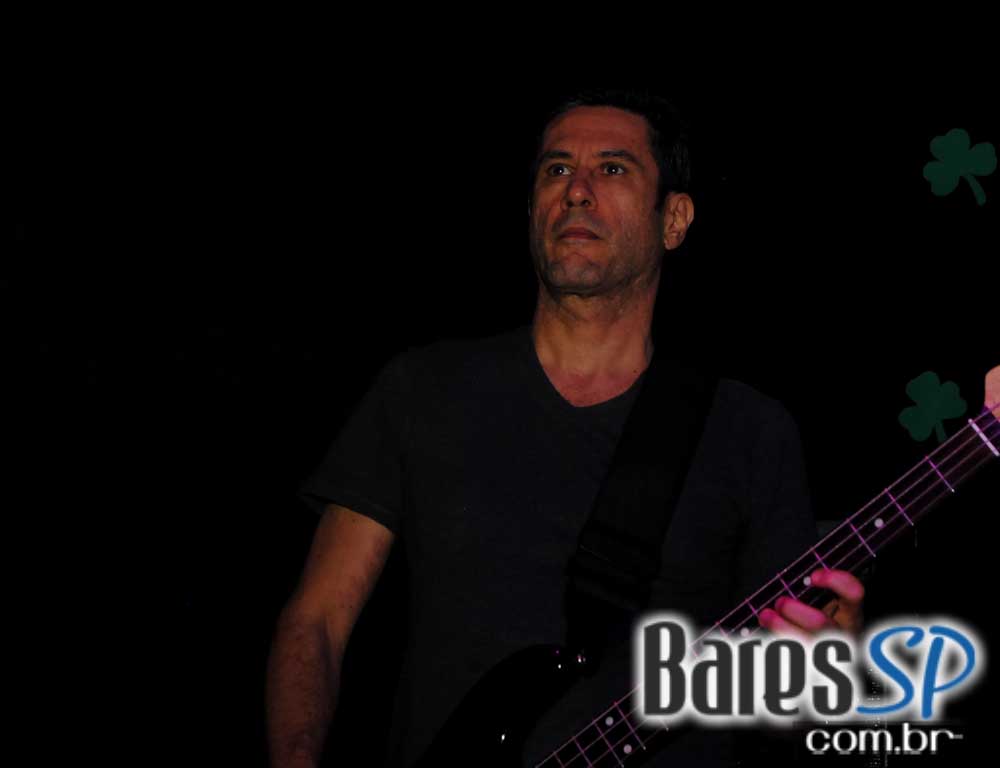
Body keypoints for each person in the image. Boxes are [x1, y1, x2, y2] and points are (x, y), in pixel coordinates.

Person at [266, 88, 865, 767]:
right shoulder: (422, 388)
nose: (577, 191)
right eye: (556, 169)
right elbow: (316, 621)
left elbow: (791, 710)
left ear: (673, 219)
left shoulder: (750, 431)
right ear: (531, 212)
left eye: (612, 168)